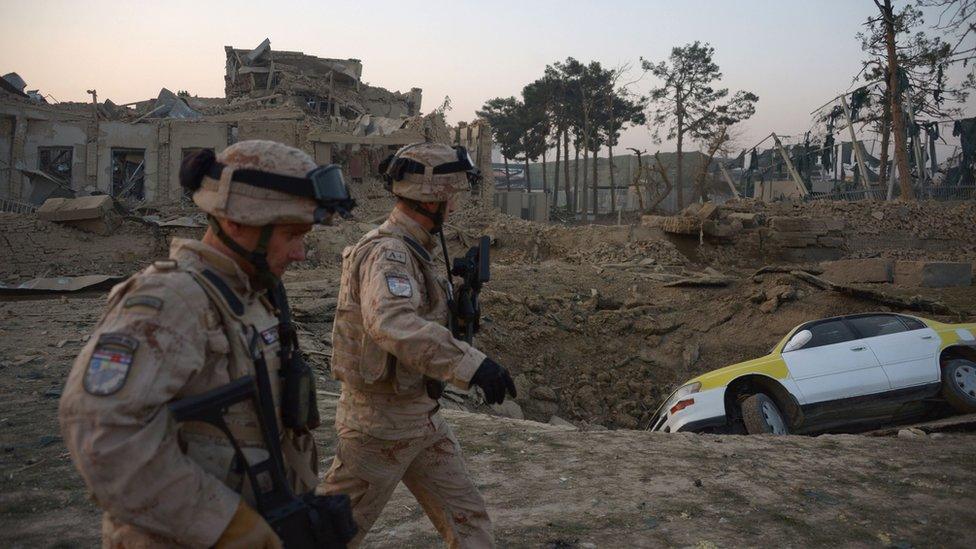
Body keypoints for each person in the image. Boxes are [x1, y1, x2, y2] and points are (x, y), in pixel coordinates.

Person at [59, 140, 356, 548]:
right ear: (236, 223)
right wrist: (228, 525)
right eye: (292, 234)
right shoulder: (170, 301)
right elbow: (102, 437)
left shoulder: (252, 294)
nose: (301, 254)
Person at [318, 141, 516, 548]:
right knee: (329, 535)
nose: (455, 208)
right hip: (379, 424)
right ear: (434, 200)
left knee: (468, 521)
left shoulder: (415, 250)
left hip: (420, 416)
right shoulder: (388, 253)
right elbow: (391, 323)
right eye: (453, 198)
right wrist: (471, 365)